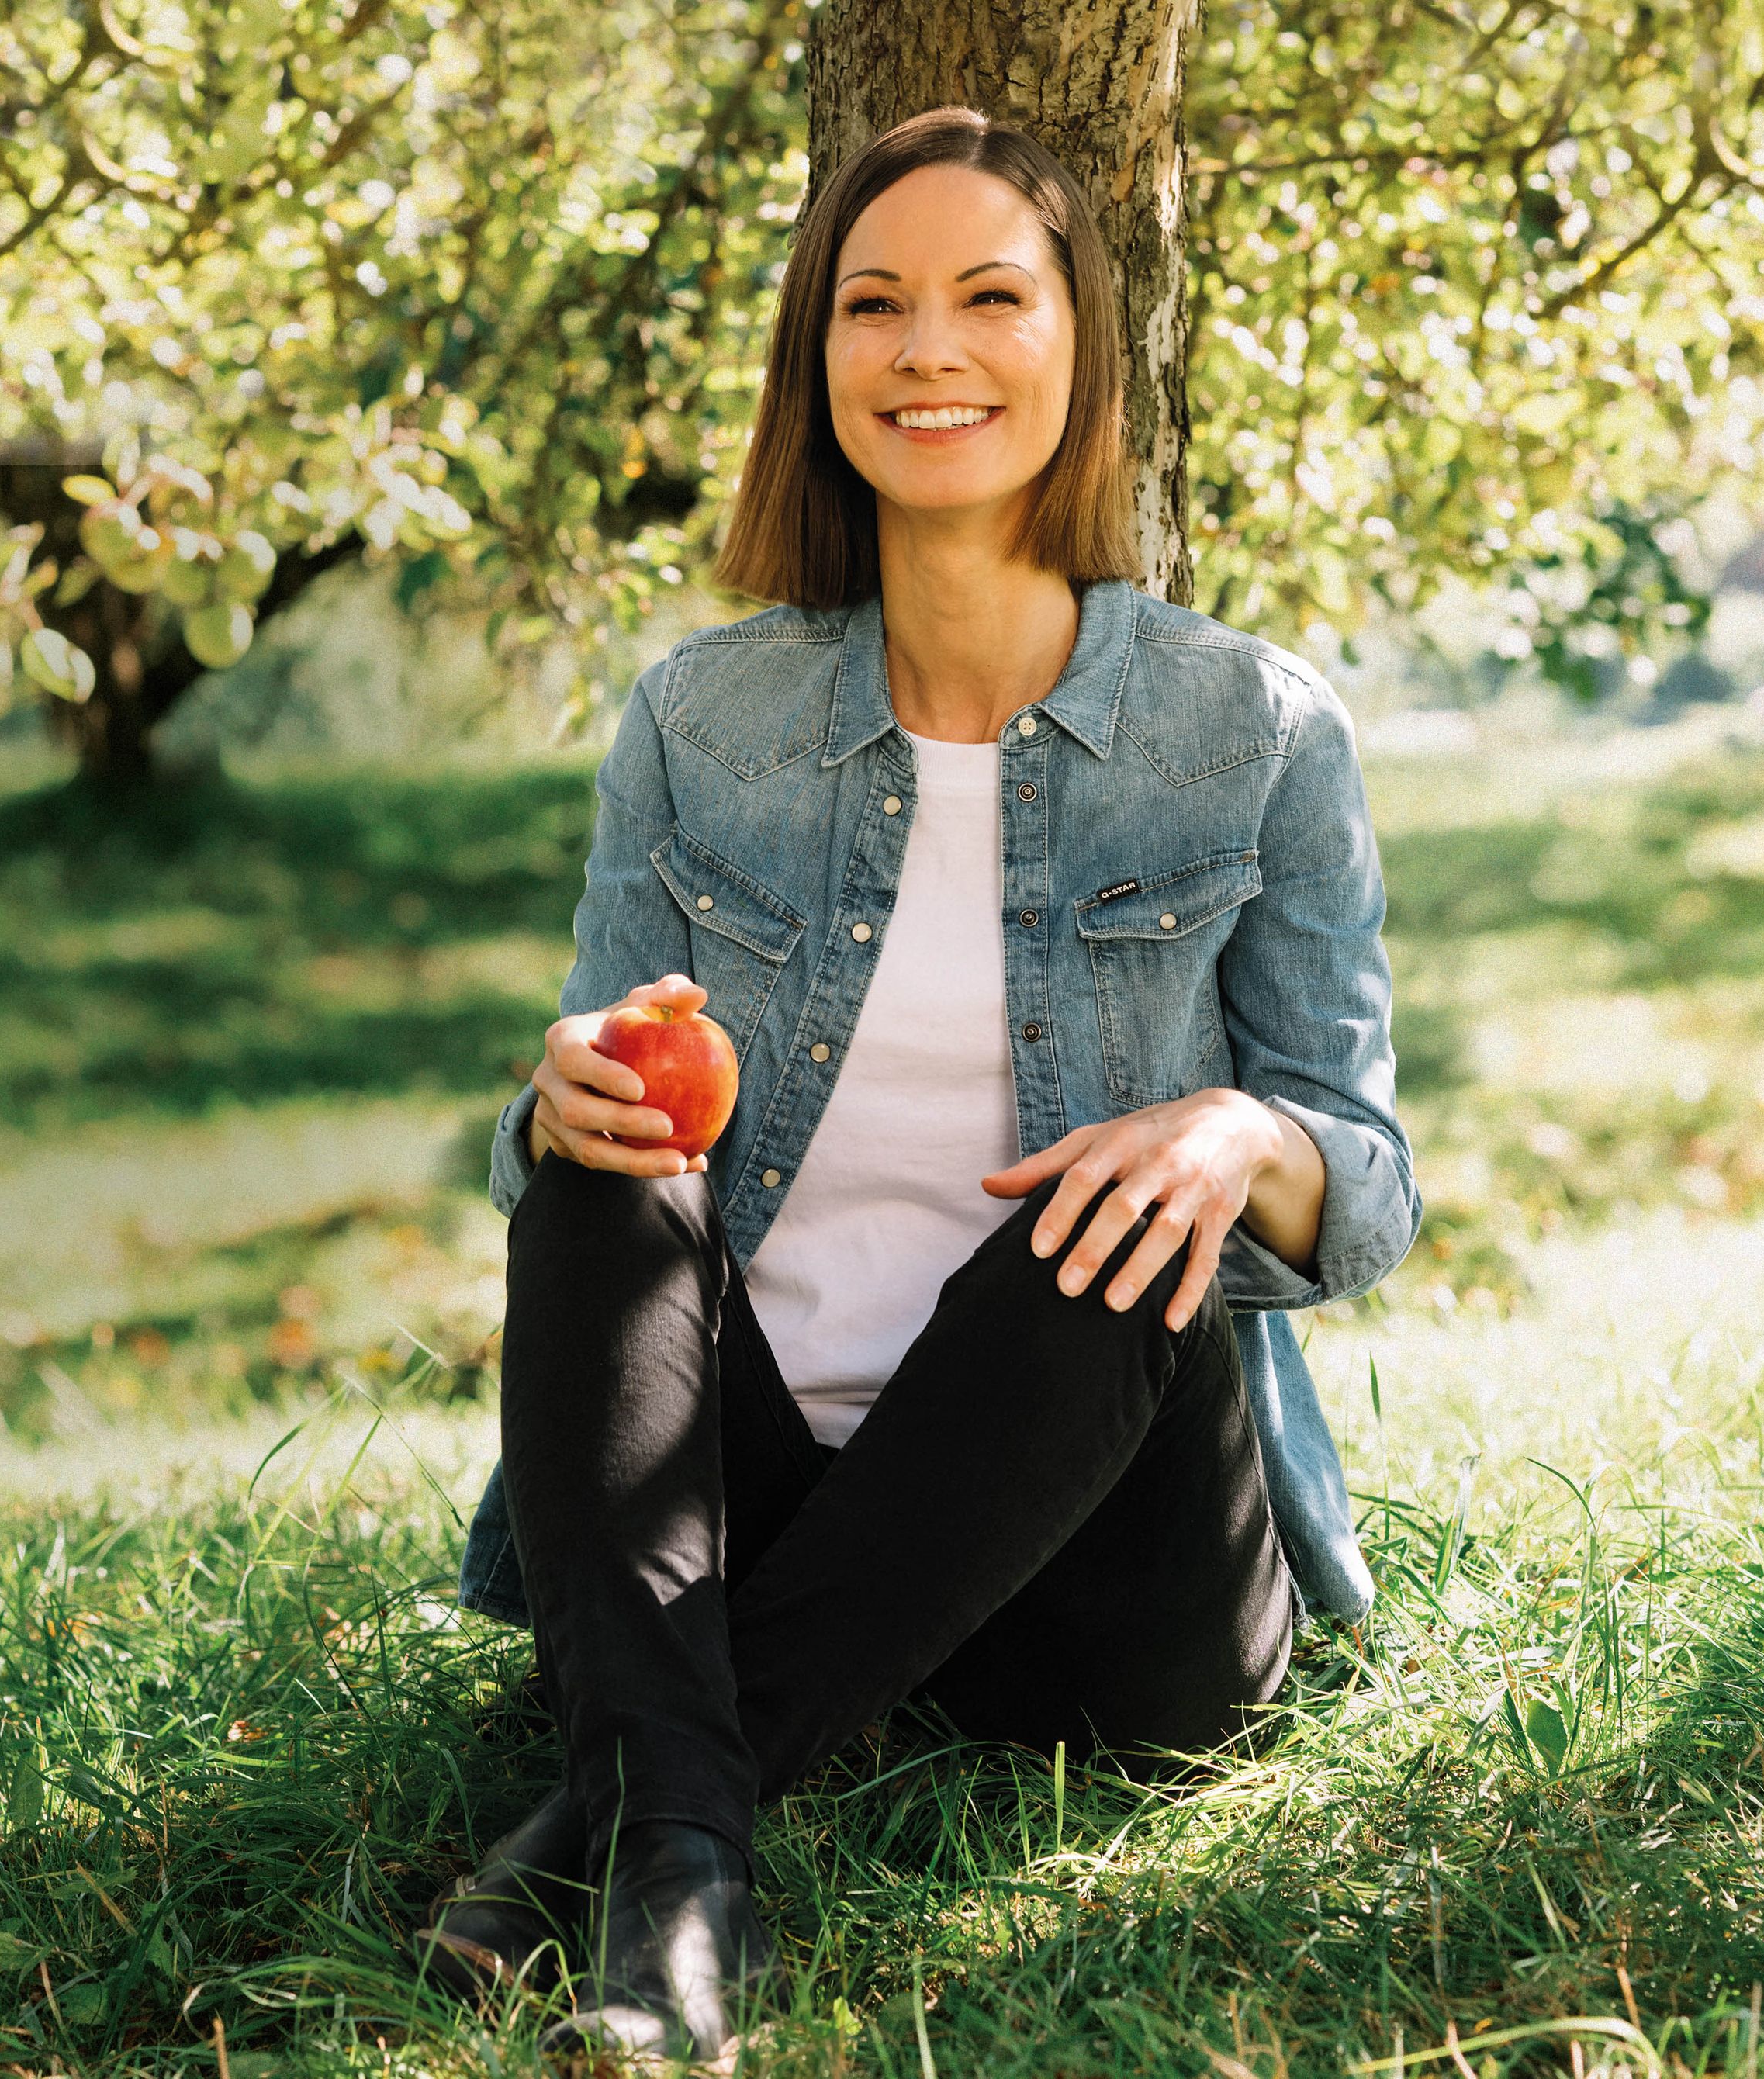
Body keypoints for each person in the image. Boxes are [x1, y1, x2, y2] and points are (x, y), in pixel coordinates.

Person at [409, 108, 1421, 2067]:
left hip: (1102, 1567)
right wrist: (555, 1104)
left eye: (987, 297)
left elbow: (1365, 1178)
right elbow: (568, 1179)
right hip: (737, 1519)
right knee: (595, 1164)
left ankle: (632, 1808)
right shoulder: (700, 719)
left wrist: (1238, 1134)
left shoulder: (1253, 729)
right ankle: (684, 1861)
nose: (926, 349)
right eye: (871, 304)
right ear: (818, 358)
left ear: (1080, 345)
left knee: (1108, 1222)